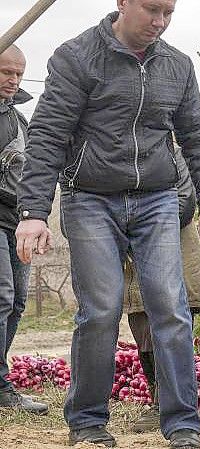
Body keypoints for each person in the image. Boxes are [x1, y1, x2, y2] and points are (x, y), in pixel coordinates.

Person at [15, 1, 200, 447]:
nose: (160, 21)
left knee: (171, 308)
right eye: (151, 9)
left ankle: (183, 425)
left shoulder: (178, 66)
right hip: (90, 198)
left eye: (168, 12)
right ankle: (88, 423)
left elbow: (196, 137)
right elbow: (47, 134)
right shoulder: (76, 57)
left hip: (157, 198)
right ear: (122, 2)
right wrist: (33, 212)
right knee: (101, 311)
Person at [122, 149, 200, 433]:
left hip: (173, 240)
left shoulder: (174, 153)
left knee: (174, 320)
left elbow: (184, 202)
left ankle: (172, 404)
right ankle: (157, 398)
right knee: (141, 319)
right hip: (135, 243)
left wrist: (142, 224)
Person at [0, 44, 48, 415]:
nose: (13, 80)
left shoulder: (19, 121)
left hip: (17, 220)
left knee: (16, 300)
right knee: (1, 296)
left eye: (18, 73)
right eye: (5, 71)